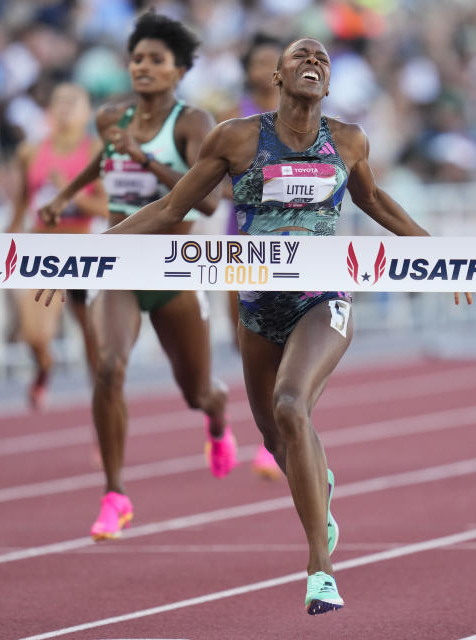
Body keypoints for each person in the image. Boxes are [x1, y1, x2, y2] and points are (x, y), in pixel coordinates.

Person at [51, 37, 475, 615]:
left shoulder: (347, 141)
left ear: (329, 83)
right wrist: (87, 255)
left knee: (290, 405)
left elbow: (377, 203)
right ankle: (317, 486)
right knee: (279, 438)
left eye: (322, 60)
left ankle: (319, 571)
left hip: (322, 299)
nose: (313, 63)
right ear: (276, 76)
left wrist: (436, 254)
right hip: (257, 307)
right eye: (301, 56)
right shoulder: (237, 138)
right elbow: (172, 208)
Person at [37, 11, 232, 541]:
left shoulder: (194, 124)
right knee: (109, 368)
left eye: (156, 60)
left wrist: (145, 158)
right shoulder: (112, 117)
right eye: (137, 59)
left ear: (180, 70)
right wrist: (63, 196)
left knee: (197, 393)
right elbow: (104, 158)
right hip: (119, 264)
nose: (143, 67)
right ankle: (115, 494)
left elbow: (210, 203)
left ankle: (217, 419)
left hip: (173, 269)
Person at [7, 82, 106, 410]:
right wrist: (7, 241)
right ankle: (43, 365)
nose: (64, 108)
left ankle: (101, 416)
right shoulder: (31, 152)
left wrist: (70, 192)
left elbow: (106, 208)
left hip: (82, 250)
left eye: (72, 103)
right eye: (58, 102)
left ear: (86, 112)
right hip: (41, 250)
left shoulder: (95, 152)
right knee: (33, 334)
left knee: (93, 342)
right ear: (49, 111)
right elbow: (21, 205)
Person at [222, 34, 286, 482]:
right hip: (240, 235)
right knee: (246, 337)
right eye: (258, 61)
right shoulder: (233, 119)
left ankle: (280, 433)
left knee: (289, 334)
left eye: (272, 61)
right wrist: (253, 187)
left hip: (289, 236)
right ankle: (269, 426)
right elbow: (211, 180)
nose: (265, 69)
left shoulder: (300, 115)